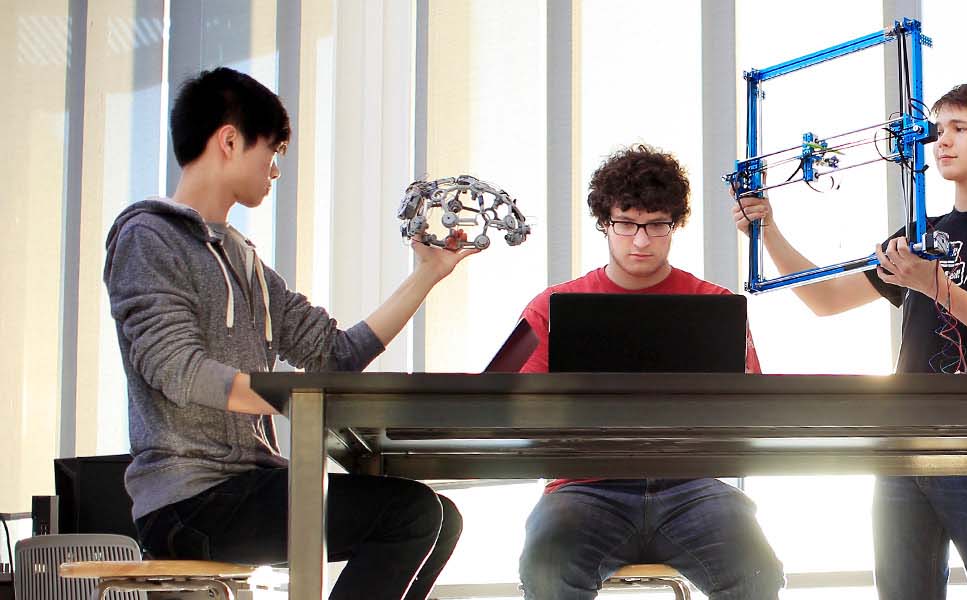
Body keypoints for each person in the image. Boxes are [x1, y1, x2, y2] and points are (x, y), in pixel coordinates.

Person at [106, 67, 471, 600]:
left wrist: (427, 275)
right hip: (190, 500)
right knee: (410, 514)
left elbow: (336, 354)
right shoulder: (147, 238)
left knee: (442, 518)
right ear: (230, 141)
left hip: (250, 483)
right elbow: (178, 371)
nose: (275, 170)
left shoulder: (246, 265)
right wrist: (292, 401)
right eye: (271, 151)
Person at [732, 83, 967, 600]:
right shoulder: (915, 234)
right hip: (901, 447)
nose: (942, 142)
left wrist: (933, 284)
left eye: (960, 129)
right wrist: (770, 231)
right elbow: (826, 299)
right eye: (938, 131)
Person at [515, 144, 784, 600]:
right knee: (546, 564)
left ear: (674, 224)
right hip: (584, 489)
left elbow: (750, 406)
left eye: (656, 225)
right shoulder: (551, 308)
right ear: (605, 222)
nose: (640, 241)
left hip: (693, 487)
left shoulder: (714, 305)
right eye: (626, 224)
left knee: (756, 567)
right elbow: (519, 407)